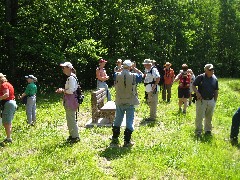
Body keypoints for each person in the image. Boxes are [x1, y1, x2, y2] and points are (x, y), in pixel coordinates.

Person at [110, 60, 143, 147]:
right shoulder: (134, 76)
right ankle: (127, 141)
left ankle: (114, 138)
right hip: (130, 101)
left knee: (117, 119)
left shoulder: (116, 75)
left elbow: (114, 74)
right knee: (129, 121)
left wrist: (121, 68)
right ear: (130, 67)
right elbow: (142, 75)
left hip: (119, 101)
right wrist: (134, 68)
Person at [56, 62, 80, 143]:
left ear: (69, 68)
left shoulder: (71, 78)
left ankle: (75, 137)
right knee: (70, 118)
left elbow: (71, 91)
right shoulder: (72, 77)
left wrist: (62, 90)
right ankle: (72, 135)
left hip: (71, 101)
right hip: (72, 100)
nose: (62, 69)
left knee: (71, 119)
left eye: (64, 67)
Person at [192, 64, 219, 137]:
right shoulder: (200, 77)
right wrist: (197, 93)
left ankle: (208, 130)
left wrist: (214, 100)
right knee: (199, 116)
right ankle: (198, 131)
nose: (212, 71)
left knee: (209, 116)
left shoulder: (215, 79)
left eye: (213, 69)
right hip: (201, 100)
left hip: (211, 100)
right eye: (210, 69)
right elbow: (193, 85)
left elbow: (216, 90)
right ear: (206, 70)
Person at [0, 73, 17, 146]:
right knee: (7, 121)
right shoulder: (7, 84)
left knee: (6, 122)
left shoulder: (4, 85)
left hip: (8, 103)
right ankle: (8, 137)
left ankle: (9, 138)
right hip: (11, 103)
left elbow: (6, 94)